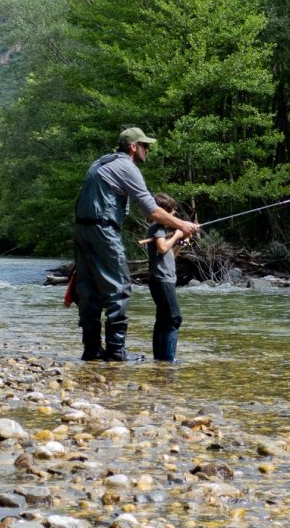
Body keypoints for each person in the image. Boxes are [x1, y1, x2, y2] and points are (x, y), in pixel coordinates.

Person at [72, 127, 198, 362]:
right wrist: (182, 225)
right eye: (145, 146)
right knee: (119, 286)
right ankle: (115, 351)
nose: (147, 150)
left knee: (88, 290)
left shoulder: (99, 163)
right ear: (133, 147)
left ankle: (91, 349)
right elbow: (153, 210)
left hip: (81, 230)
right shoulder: (127, 167)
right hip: (103, 230)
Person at [144, 193, 189, 362]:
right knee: (173, 318)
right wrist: (177, 234)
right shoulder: (157, 228)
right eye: (172, 212)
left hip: (165, 278)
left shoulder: (160, 229)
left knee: (163, 320)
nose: (174, 215)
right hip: (161, 279)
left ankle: (160, 360)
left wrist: (180, 242)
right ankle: (169, 359)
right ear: (164, 211)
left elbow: (169, 254)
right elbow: (162, 248)